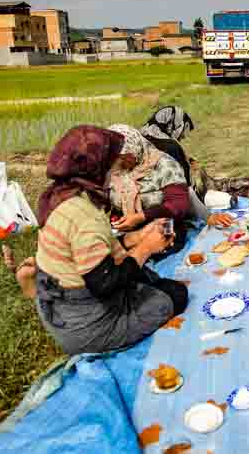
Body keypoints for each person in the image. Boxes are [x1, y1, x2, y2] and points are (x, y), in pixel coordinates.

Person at [32, 126, 188, 355]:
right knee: (174, 295)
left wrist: (137, 237)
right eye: (114, 164)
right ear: (98, 166)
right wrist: (146, 248)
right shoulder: (85, 215)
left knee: (151, 282)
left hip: (58, 310)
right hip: (86, 325)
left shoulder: (61, 196)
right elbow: (105, 284)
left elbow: (91, 256)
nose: (117, 172)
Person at [107, 124, 191, 252]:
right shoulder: (115, 169)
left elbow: (179, 205)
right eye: (116, 157)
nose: (120, 162)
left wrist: (139, 217)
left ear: (136, 147)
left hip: (162, 225)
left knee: (155, 244)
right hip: (126, 229)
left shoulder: (164, 165)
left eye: (124, 156)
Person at [140, 106, 195, 185]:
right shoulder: (171, 147)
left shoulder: (141, 137)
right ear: (177, 122)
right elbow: (186, 178)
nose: (183, 136)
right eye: (184, 128)